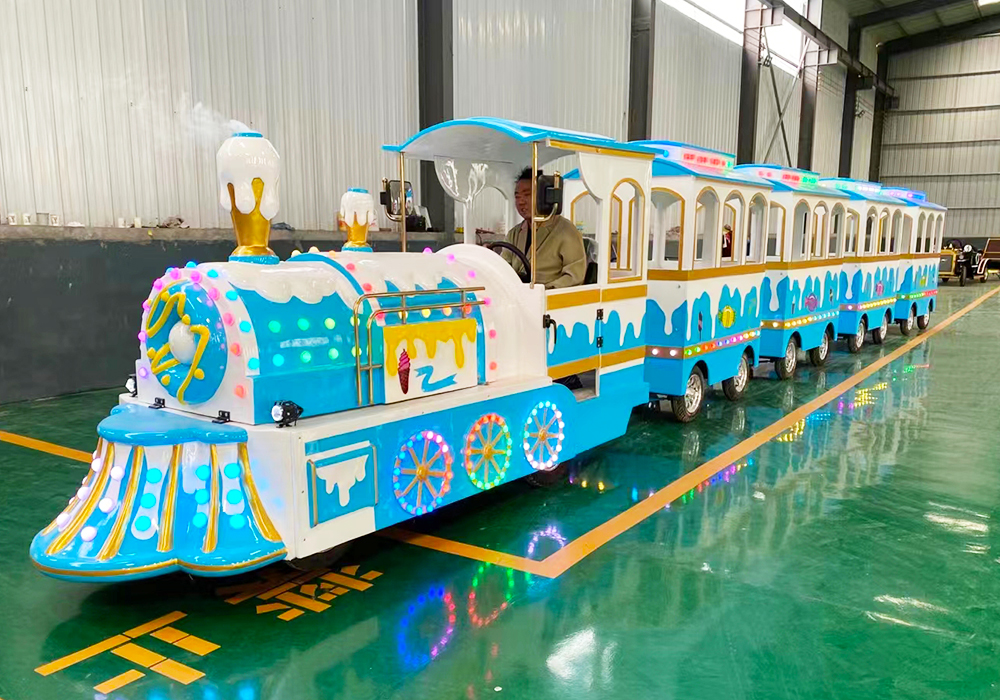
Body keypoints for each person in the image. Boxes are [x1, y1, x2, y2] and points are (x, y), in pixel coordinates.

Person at [501, 167, 586, 288]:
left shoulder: (566, 231)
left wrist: (542, 291)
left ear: (544, 196)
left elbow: (574, 277)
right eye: (517, 196)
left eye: (527, 195)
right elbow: (503, 267)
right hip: (517, 295)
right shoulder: (514, 234)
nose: (521, 202)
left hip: (549, 297)